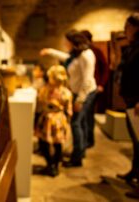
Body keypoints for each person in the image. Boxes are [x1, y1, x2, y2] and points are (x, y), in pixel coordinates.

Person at [40, 30, 97, 167]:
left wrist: (79, 100)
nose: (65, 43)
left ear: (73, 42)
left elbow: (87, 80)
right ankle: (80, 151)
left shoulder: (86, 55)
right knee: (80, 123)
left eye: (66, 41)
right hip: (78, 92)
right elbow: (66, 58)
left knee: (76, 124)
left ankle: (77, 158)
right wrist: (49, 51)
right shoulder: (77, 55)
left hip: (85, 93)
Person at [116, 12, 139, 199]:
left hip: (137, 101)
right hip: (131, 99)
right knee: (136, 141)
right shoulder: (132, 47)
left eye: (128, 26)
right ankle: (134, 172)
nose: (125, 30)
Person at [35, 65, 73, 177]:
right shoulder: (47, 90)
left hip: (55, 119)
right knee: (45, 143)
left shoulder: (63, 92)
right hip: (50, 119)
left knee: (56, 144)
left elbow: (68, 109)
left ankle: (54, 165)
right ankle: (51, 164)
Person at [81, 30, 110, 148]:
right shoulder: (82, 52)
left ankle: (89, 140)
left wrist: (101, 84)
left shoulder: (95, 51)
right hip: (85, 87)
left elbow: (105, 68)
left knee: (88, 115)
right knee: (84, 115)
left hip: (93, 87)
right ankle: (85, 139)